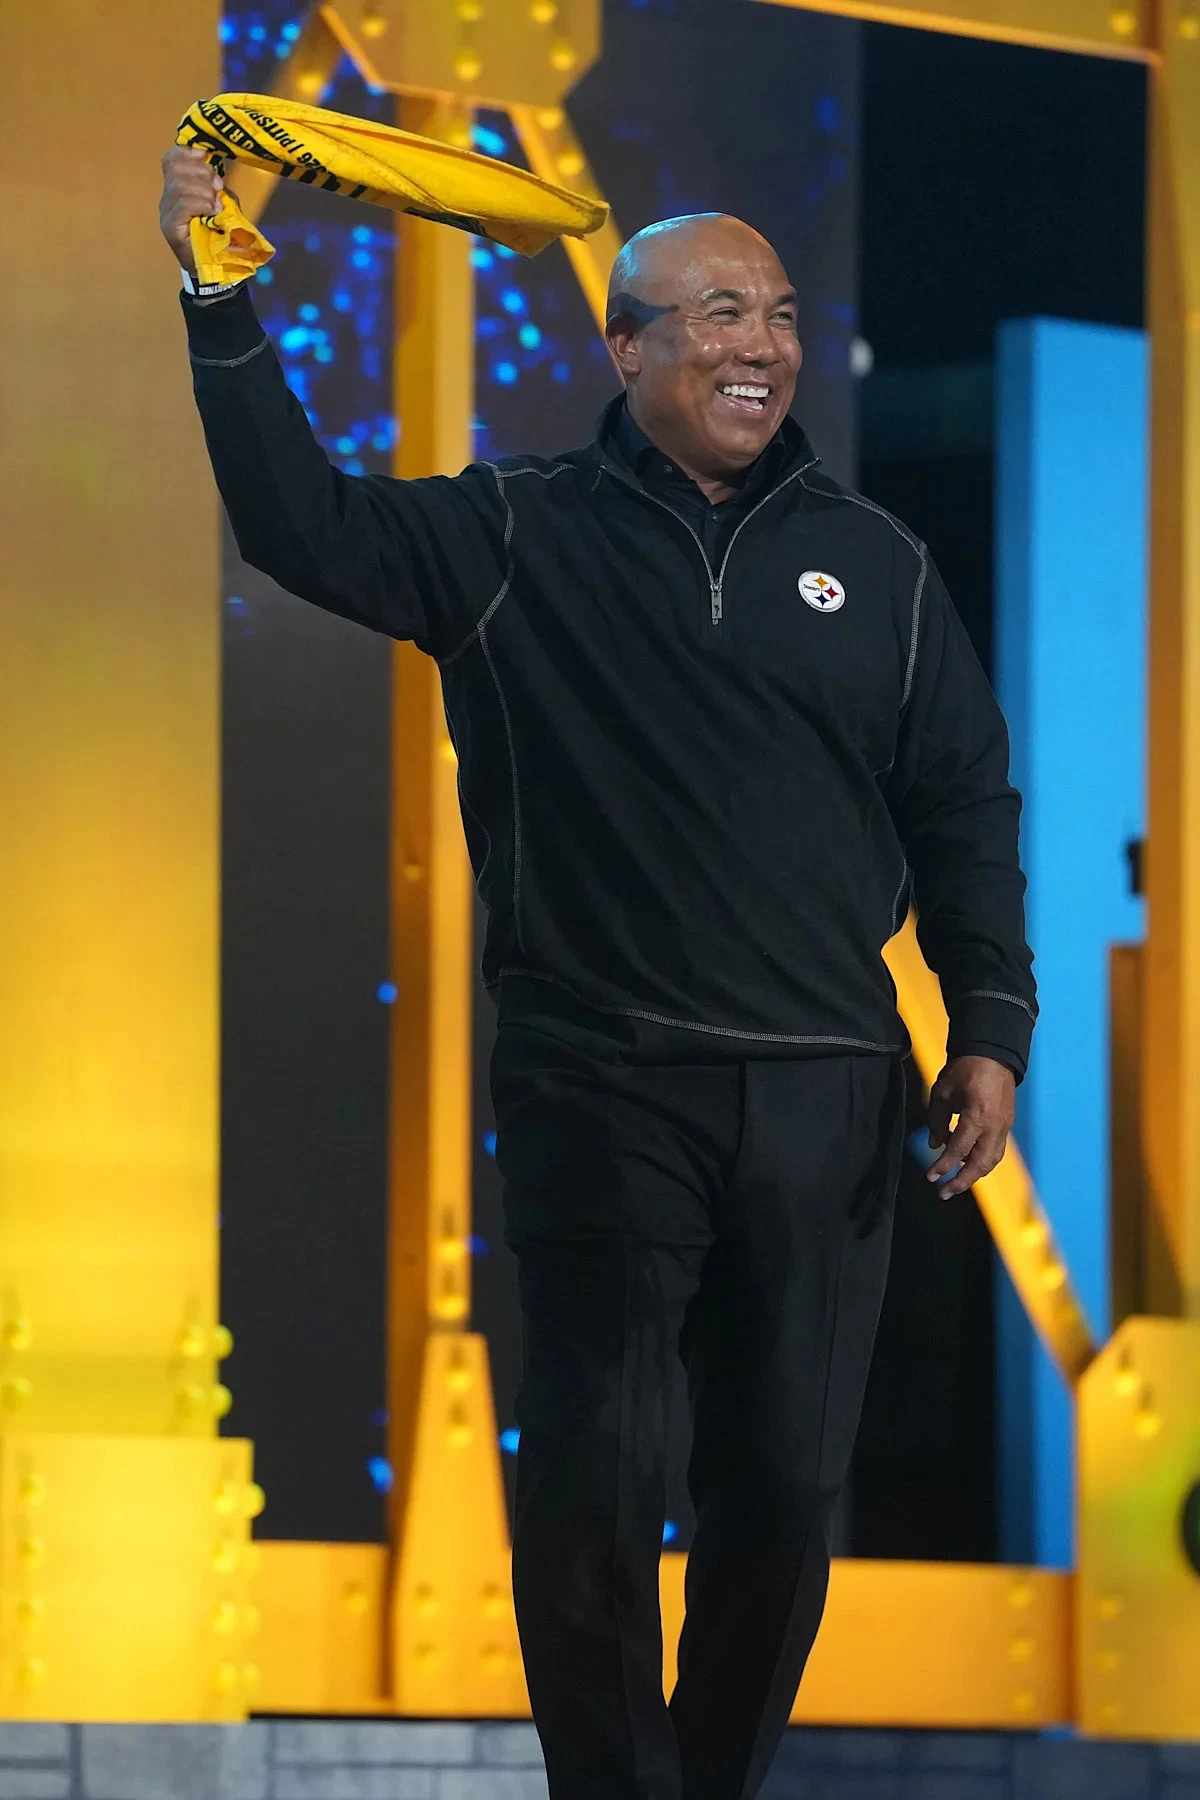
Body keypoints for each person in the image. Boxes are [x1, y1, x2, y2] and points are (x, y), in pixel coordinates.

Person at [160, 147, 1036, 1800]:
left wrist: (989, 1022)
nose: (761, 344)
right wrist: (220, 298)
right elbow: (299, 523)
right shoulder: (511, 533)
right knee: (597, 1479)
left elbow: (964, 807)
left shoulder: (881, 566)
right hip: (604, 1081)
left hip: (827, 1096)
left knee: (785, 1493)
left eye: (781, 314)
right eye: (721, 313)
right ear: (627, 345)